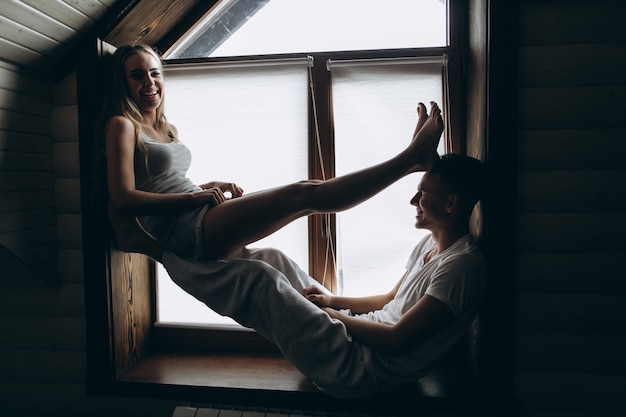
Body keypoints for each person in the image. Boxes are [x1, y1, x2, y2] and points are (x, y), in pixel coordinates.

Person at [108, 152, 487, 399]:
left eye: (422, 194)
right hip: (362, 337)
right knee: (272, 258)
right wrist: (333, 302)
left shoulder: (462, 266)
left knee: (261, 281)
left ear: (452, 204)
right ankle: (171, 247)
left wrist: (329, 316)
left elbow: (394, 340)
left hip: (364, 370)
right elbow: (389, 302)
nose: (413, 201)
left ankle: (155, 249)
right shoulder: (428, 247)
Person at [95, 44, 444, 261]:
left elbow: (161, 184)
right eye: (137, 76)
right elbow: (123, 200)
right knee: (305, 193)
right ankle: (411, 159)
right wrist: (193, 197)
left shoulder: (168, 129)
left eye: (155, 73)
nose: (149, 83)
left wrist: (205, 186)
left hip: (194, 214)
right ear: (122, 83)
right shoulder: (122, 125)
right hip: (183, 228)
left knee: (306, 198)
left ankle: (412, 159)